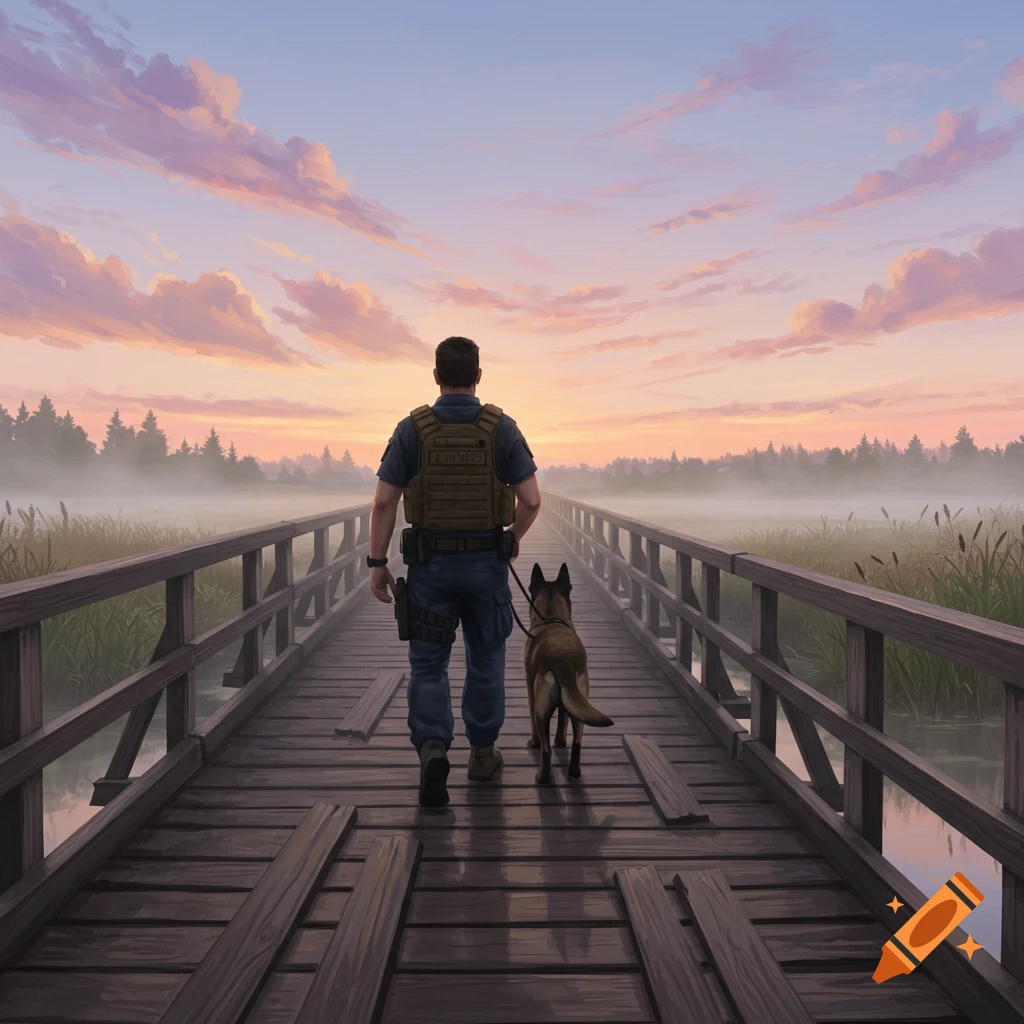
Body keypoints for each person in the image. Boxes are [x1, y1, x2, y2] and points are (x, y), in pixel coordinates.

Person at [367, 336, 542, 808]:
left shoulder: (413, 429)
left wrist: (378, 562)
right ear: (478, 376)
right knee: (486, 661)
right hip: (486, 568)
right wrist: (512, 539)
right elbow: (531, 500)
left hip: (429, 568)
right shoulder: (501, 428)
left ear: (436, 376)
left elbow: (385, 500)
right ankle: (482, 756)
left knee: (428, 664)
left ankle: (431, 749)